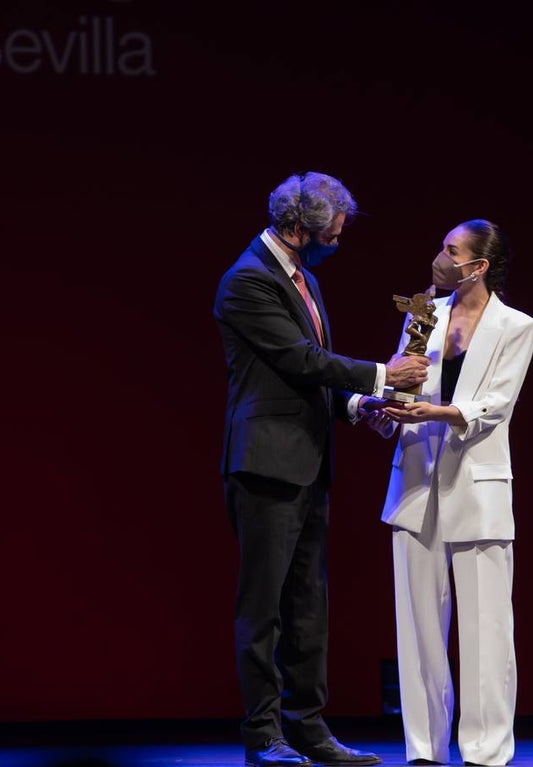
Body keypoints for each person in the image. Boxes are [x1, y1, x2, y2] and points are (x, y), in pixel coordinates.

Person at [213, 171, 428, 767]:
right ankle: (264, 737)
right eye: (332, 233)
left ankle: (308, 730)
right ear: (298, 228)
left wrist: (361, 405)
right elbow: (299, 358)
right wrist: (384, 376)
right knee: (264, 606)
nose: (339, 240)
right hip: (265, 465)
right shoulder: (248, 281)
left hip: (307, 462)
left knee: (308, 604)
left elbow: (309, 379)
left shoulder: (299, 276)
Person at [357, 219, 533, 766]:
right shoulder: (424, 316)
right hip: (416, 485)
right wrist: (383, 412)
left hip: (477, 489)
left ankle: (485, 752)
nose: (440, 257)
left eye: (450, 250)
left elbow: (497, 404)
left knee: (486, 631)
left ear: (478, 266)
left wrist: (442, 411)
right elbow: (405, 388)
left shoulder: (516, 326)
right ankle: (424, 750)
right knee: (417, 631)